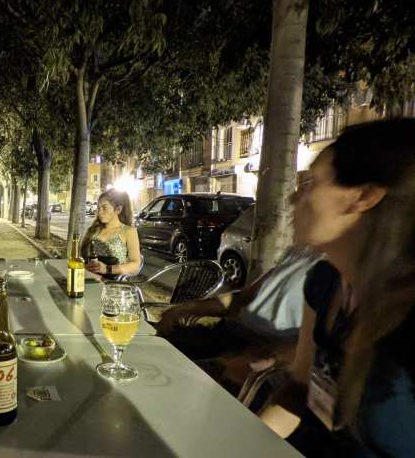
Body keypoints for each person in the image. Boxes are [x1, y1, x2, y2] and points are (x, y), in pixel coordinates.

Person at [258, 119, 415, 457]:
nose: (292, 197)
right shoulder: (324, 283)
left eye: (311, 182)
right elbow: (299, 390)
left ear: (364, 196)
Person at [156, 247, 320, 393]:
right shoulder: (301, 251)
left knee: (173, 380)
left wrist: (258, 361)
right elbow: (242, 298)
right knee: (158, 345)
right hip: (229, 333)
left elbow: (316, 345)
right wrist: (187, 308)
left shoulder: (337, 270)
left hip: (261, 349)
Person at [80, 189, 142, 278]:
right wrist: (85, 266)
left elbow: (135, 265)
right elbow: (82, 258)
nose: (100, 212)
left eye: (104, 208)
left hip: (114, 284)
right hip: (89, 280)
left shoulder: (128, 231)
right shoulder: (93, 230)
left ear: (118, 209)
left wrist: (107, 269)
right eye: (98, 208)